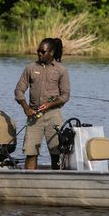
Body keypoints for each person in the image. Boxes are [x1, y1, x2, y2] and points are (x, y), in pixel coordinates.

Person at [14, 37, 70, 170]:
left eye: (43, 52)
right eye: (38, 51)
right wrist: (26, 108)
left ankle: (57, 182)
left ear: (51, 52)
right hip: (34, 116)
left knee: (57, 153)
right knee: (31, 152)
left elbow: (65, 96)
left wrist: (50, 104)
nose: (39, 54)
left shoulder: (61, 70)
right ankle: (29, 183)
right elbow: (18, 91)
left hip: (54, 115)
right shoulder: (30, 68)